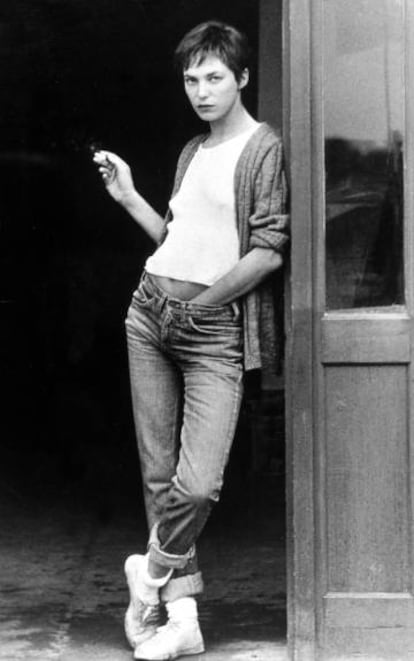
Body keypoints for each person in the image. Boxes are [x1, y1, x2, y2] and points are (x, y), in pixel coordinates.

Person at [93, 20, 289, 661]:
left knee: (198, 483)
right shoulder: (191, 151)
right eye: (191, 79)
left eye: (214, 77)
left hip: (212, 330)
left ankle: (148, 576)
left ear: (243, 78)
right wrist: (129, 198)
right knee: (159, 475)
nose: (201, 91)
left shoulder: (263, 148)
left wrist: (200, 307)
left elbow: (268, 252)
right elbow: (176, 242)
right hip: (148, 315)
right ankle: (182, 621)